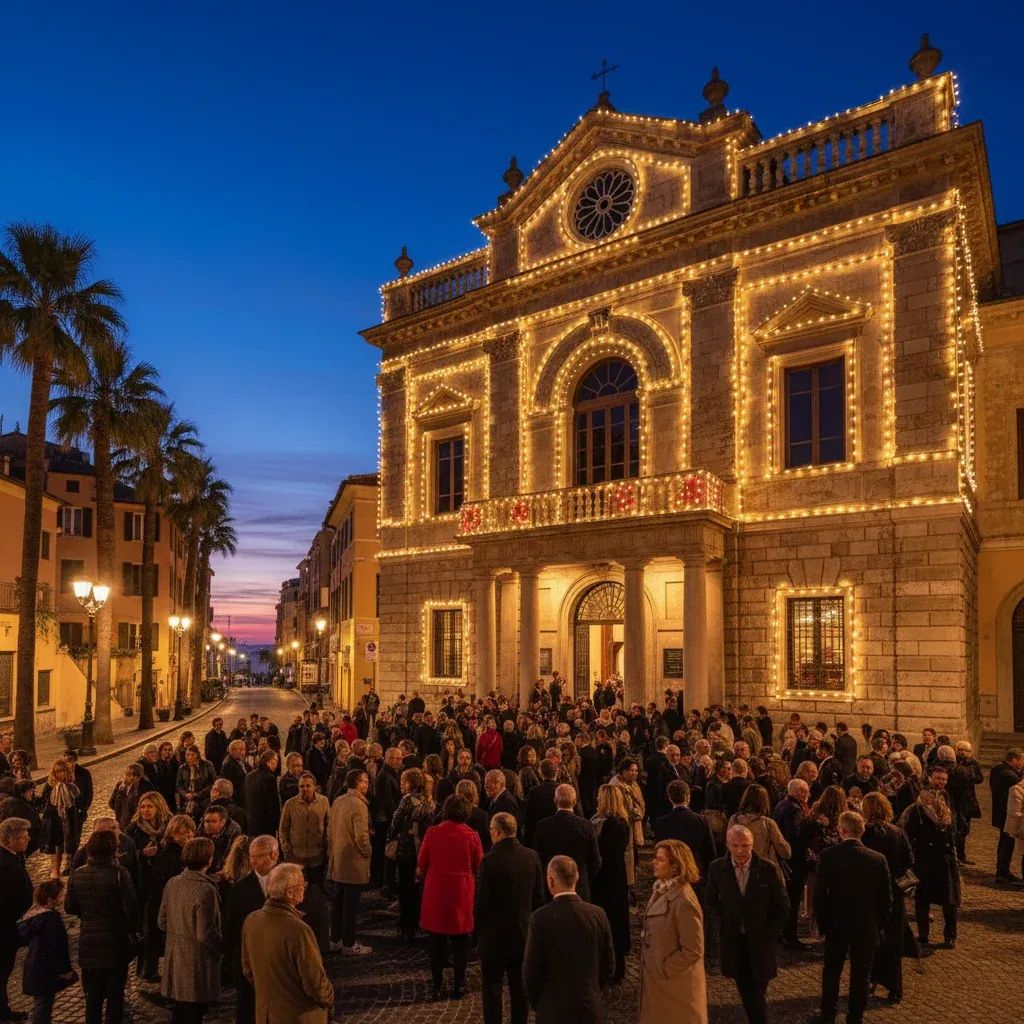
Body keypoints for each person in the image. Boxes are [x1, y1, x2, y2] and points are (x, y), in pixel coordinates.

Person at [814, 811, 892, 1024]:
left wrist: (821, 923)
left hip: (836, 923)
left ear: (841, 830)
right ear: (862, 831)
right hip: (866, 925)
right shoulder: (877, 859)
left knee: (831, 970)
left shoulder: (829, 856)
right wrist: (880, 925)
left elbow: (820, 894)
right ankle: (855, 1015)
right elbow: (886, 898)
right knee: (861, 973)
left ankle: (828, 1012)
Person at [705, 825, 788, 1024]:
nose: (741, 851)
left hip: (760, 941)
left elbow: (782, 905)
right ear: (728, 845)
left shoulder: (767, 869)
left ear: (753, 845)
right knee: (746, 989)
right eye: (735, 846)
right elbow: (710, 901)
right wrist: (724, 923)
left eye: (746, 846)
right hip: (735, 941)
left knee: (757, 990)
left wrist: (771, 934)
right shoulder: (717, 868)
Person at [523, 855, 614, 1024]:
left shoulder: (540, 918)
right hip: (588, 1007)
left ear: (550, 881)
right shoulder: (598, 915)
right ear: (577, 877)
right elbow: (608, 964)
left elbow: (531, 970)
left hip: (552, 1009)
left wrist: (541, 1003)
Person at [241, 864, 335, 1024]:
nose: (305, 887)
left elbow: (248, 969)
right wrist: (329, 996)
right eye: (302, 884)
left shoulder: (251, 920)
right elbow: (314, 982)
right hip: (299, 1015)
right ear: (290, 893)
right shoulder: (299, 929)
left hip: (266, 1015)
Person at [65, 829, 141, 1024]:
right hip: (115, 942)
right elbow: (131, 910)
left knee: (93, 997)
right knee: (115, 996)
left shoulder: (78, 874)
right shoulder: (120, 874)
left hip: (89, 942)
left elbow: (69, 906)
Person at [475, 811, 543, 1024]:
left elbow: (482, 902)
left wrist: (478, 930)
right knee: (519, 987)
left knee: (492, 988)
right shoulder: (531, 857)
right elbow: (538, 896)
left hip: (494, 936)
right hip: (522, 932)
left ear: (497, 832)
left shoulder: (489, 860)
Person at [417, 794, 484, 1000]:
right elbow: (478, 864)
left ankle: (437, 985)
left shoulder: (433, 832)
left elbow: (422, 862)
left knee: (435, 943)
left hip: (436, 891)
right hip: (461, 892)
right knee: (460, 942)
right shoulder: (472, 835)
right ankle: (459, 984)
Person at [640, 839, 707, 1024]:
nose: (653, 862)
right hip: (662, 987)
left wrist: (664, 968)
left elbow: (693, 949)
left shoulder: (683, 900)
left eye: (660, 859)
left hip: (676, 991)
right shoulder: (661, 890)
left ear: (675, 866)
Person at [159, 837, 222, 1023]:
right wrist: (222, 950)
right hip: (197, 962)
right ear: (209, 859)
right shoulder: (206, 889)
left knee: (180, 1013)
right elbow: (206, 933)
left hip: (175, 960)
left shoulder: (173, 883)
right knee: (193, 1014)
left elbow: (162, 921)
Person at [860, 792, 914, 1004]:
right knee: (893, 941)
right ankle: (895, 988)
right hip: (894, 894)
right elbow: (909, 859)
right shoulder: (898, 833)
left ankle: (869, 981)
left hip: (870, 895)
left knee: (870, 941)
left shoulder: (864, 835)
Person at [223, 836, 278, 1024]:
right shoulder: (240, 890)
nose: (253, 861)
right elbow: (230, 928)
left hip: (278, 961)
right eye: (251, 856)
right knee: (248, 1010)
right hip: (249, 963)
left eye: (258, 856)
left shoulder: (288, 880)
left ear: (274, 855)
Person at [900, 783, 961, 948]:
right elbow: (908, 836)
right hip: (924, 861)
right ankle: (923, 935)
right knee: (923, 900)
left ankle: (950, 936)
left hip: (945, 861)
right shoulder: (916, 812)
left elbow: (953, 834)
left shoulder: (945, 811)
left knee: (949, 902)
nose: (928, 798)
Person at [327, 769, 373, 956]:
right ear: (357, 783)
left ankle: (335, 939)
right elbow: (361, 835)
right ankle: (349, 943)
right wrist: (368, 852)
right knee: (350, 906)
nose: (367, 785)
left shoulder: (338, 801)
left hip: (338, 859)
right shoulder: (359, 805)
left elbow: (330, 829)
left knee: (338, 903)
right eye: (365, 781)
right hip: (353, 861)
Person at [16, 879, 74, 1024]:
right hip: (46, 969)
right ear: (51, 899)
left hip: (34, 967)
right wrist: (65, 970)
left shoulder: (33, 918)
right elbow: (58, 947)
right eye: (61, 894)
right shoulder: (51, 921)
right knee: (43, 1008)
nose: (63, 896)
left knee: (41, 1005)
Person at [589, 783, 631, 983]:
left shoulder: (601, 825)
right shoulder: (623, 823)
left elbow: (599, 853)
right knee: (618, 919)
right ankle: (619, 966)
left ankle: (605, 966)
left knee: (605, 919)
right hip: (618, 875)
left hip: (603, 877)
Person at [387, 767, 434, 942]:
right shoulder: (429, 801)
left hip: (406, 850)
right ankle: (419, 921)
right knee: (418, 887)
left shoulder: (407, 801)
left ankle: (407, 928)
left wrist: (392, 836)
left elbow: (396, 822)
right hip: (422, 849)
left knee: (405, 887)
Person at [533, 784, 601, 902]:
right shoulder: (586, 826)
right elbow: (595, 861)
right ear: (575, 801)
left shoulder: (542, 826)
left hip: (552, 885)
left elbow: (538, 859)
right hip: (579, 885)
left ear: (555, 801)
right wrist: (584, 876)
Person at [0, 817, 33, 1024]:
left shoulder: (11, 857)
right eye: (22, 837)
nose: (27, 839)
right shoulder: (4, 864)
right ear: (9, 840)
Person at [279, 772, 329, 888]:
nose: (305, 789)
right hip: (296, 855)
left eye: (308, 786)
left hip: (317, 854)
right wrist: (285, 848)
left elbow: (328, 825)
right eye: (301, 786)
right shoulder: (290, 804)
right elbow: (283, 828)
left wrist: (328, 847)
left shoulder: (324, 801)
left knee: (316, 887)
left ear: (314, 787)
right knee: (296, 887)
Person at [728, 783, 791, 875]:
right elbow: (786, 853)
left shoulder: (733, 820)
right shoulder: (768, 824)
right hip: (764, 873)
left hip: (739, 871)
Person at [38, 759, 82, 879]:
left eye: (62, 771)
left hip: (69, 821)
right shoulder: (49, 786)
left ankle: (68, 869)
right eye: (57, 771)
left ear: (67, 772)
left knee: (68, 845)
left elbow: (79, 802)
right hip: (54, 821)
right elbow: (44, 802)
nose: (60, 774)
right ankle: (55, 872)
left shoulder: (72, 787)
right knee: (55, 848)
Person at [989, 747, 1022, 882]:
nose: (1022, 763)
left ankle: (1002, 870)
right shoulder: (1008, 774)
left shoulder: (998, 769)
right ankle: (1002, 872)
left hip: (1001, 812)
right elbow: (1020, 784)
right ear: (1014, 759)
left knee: (1005, 842)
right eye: (1022, 760)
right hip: (1006, 813)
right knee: (1007, 843)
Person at [948, 741, 982, 864]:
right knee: (955, 828)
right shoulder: (953, 763)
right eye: (960, 750)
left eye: (965, 750)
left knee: (964, 829)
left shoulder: (973, 763)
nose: (962, 752)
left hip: (967, 800)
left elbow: (979, 778)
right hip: (955, 799)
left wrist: (969, 775)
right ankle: (955, 856)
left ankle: (962, 856)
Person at [243, 750, 281, 839]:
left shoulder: (249, 776)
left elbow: (244, 796)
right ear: (270, 762)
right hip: (265, 822)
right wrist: (277, 823)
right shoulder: (270, 778)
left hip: (251, 820)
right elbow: (273, 803)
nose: (276, 765)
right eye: (275, 762)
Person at [523, 760, 558, 847]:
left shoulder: (534, 791)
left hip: (539, 836)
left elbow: (528, 818)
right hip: (559, 833)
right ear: (556, 772)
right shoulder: (563, 790)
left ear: (540, 772)